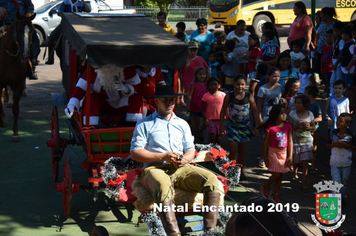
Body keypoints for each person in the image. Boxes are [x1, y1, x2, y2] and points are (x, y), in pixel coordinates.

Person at [130, 85, 221, 235]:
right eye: (165, 100)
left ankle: (210, 231)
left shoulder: (182, 124)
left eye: (171, 100)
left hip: (180, 167)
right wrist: (162, 156)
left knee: (211, 179)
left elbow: (190, 150)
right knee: (162, 184)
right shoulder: (144, 124)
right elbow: (135, 153)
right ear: (156, 102)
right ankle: (174, 234)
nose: (169, 103)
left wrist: (185, 159)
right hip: (153, 169)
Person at [64, 65, 142, 125]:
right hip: (102, 103)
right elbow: (80, 90)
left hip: (122, 102)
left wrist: (125, 88)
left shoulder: (127, 70)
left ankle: (133, 125)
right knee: (91, 98)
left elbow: (135, 85)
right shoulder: (92, 71)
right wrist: (72, 105)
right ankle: (91, 127)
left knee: (137, 98)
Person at [220, 74, 259, 180]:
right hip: (232, 125)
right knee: (233, 149)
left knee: (242, 150)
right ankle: (232, 171)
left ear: (245, 85)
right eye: (238, 84)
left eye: (242, 84)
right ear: (233, 84)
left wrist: (257, 126)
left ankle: (241, 170)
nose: (240, 87)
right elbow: (223, 110)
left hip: (245, 126)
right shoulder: (229, 96)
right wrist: (221, 125)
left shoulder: (249, 96)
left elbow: (255, 110)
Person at [261, 105, 293, 203]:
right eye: (281, 113)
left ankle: (276, 194)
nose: (284, 115)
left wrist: (290, 155)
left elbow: (290, 141)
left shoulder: (288, 126)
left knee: (280, 175)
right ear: (276, 114)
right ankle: (266, 185)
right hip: (273, 152)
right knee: (277, 173)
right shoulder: (271, 127)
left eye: (285, 113)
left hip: (283, 152)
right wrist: (265, 156)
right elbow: (265, 142)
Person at [0, 0, 39, 80]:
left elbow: (29, 6)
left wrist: (28, 14)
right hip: (3, 22)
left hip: (20, 24)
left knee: (34, 37)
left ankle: (32, 65)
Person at [45, 0, 91, 65]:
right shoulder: (66, 2)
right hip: (66, 24)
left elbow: (88, 11)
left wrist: (83, 1)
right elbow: (60, 12)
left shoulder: (80, 3)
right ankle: (50, 58)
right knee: (52, 36)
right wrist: (66, 17)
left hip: (78, 25)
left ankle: (90, 56)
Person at [288, 95, 315, 193]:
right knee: (295, 160)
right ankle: (294, 174)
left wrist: (308, 128)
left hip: (307, 142)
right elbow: (289, 127)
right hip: (295, 141)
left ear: (305, 104)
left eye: (299, 103)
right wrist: (299, 125)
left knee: (305, 163)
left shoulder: (310, 114)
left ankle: (304, 182)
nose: (296, 105)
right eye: (296, 102)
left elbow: (313, 127)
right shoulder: (292, 113)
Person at [326, 113, 355, 202]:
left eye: (341, 121)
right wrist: (334, 144)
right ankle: (334, 201)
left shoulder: (351, 135)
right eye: (337, 120)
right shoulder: (333, 133)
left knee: (344, 182)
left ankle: (342, 198)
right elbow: (327, 145)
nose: (338, 123)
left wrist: (345, 145)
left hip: (346, 162)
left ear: (347, 124)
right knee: (336, 181)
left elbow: (354, 147)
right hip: (334, 162)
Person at [179, 41, 210, 106]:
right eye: (191, 50)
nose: (193, 52)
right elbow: (180, 76)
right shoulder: (184, 60)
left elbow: (207, 70)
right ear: (187, 50)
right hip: (188, 88)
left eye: (194, 50)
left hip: (201, 87)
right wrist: (181, 93)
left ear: (197, 50)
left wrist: (208, 81)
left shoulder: (200, 59)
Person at [315, 7, 339, 79]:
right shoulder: (322, 23)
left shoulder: (336, 23)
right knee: (321, 69)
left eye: (322, 15)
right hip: (321, 49)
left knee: (330, 70)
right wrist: (316, 47)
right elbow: (318, 35)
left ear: (327, 15)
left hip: (331, 50)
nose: (321, 16)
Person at [202, 77, 226, 144]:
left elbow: (226, 107)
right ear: (208, 86)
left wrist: (228, 116)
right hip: (210, 120)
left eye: (215, 84)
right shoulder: (206, 96)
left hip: (220, 120)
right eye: (211, 85)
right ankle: (210, 149)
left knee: (219, 137)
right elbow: (203, 108)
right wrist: (205, 118)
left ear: (219, 85)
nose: (213, 86)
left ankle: (217, 151)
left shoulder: (223, 95)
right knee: (212, 137)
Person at [187, 67, 208, 143]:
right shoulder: (193, 84)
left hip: (204, 107)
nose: (202, 76)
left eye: (203, 74)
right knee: (196, 124)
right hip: (194, 106)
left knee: (206, 121)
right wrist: (188, 106)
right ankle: (195, 137)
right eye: (200, 74)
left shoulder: (206, 84)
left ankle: (200, 131)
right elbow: (190, 95)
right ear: (196, 75)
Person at [304, 86, 322, 175]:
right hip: (305, 130)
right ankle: (304, 163)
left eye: (305, 93)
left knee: (314, 148)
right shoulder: (305, 104)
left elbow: (320, 118)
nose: (304, 94)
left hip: (314, 130)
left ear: (310, 95)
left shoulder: (316, 105)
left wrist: (312, 121)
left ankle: (312, 165)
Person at [339, 25, 355, 109]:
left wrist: (349, 66)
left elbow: (354, 56)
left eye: (343, 34)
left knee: (349, 88)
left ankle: (351, 105)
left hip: (349, 70)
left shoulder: (351, 45)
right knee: (347, 88)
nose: (342, 36)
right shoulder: (346, 44)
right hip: (345, 70)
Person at [330, 21, 346, 95]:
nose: (335, 33)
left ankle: (339, 95)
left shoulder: (341, 41)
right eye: (334, 31)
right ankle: (333, 94)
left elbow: (340, 53)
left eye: (338, 31)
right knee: (333, 80)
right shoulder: (335, 40)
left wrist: (336, 64)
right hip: (334, 62)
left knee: (338, 80)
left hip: (338, 63)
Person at [321, 30, 334, 97]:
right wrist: (321, 67)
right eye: (327, 37)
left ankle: (330, 96)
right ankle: (328, 95)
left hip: (331, 68)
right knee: (327, 83)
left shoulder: (333, 48)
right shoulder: (323, 48)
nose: (328, 39)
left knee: (331, 83)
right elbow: (321, 58)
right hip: (325, 68)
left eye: (330, 37)